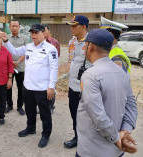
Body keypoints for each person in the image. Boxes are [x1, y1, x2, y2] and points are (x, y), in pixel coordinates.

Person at [76, 29, 138, 157]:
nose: (83, 49)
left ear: (91, 46)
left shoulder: (90, 75)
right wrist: (125, 131)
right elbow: (131, 105)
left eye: (85, 45)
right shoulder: (121, 72)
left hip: (93, 150)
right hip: (117, 151)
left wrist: (117, 139)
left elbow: (98, 116)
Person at [0, 24, 58, 148]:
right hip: (28, 87)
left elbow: (54, 68)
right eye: (32, 33)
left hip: (42, 89)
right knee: (29, 111)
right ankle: (31, 128)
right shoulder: (29, 47)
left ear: (43, 33)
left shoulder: (50, 48)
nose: (33, 35)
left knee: (44, 113)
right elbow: (15, 51)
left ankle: (46, 134)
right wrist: (6, 41)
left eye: (36, 32)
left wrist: (51, 87)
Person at [64, 15, 91, 149]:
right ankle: (77, 137)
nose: (72, 28)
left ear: (84, 27)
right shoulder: (72, 42)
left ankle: (88, 139)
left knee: (88, 116)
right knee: (74, 113)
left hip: (86, 88)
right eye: (71, 26)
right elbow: (72, 62)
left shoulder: (91, 43)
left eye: (75, 26)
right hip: (72, 86)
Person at [5, 19, 29, 115]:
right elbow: (5, 52)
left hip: (21, 66)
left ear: (19, 27)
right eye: (12, 26)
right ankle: (9, 105)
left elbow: (27, 52)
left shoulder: (25, 38)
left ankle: (20, 106)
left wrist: (18, 61)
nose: (14, 28)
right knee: (8, 86)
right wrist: (11, 62)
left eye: (16, 26)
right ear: (9, 27)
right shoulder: (6, 38)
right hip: (8, 67)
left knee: (21, 87)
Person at [42, 24, 60, 113]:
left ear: (49, 30)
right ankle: (44, 106)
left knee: (51, 88)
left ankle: (51, 106)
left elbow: (57, 56)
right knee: (43, 89)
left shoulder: (54, 42)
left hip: (51, 70)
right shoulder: (39, 42)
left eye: (45, 30)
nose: (43, 32)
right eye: (42, 31)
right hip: (42, 70)